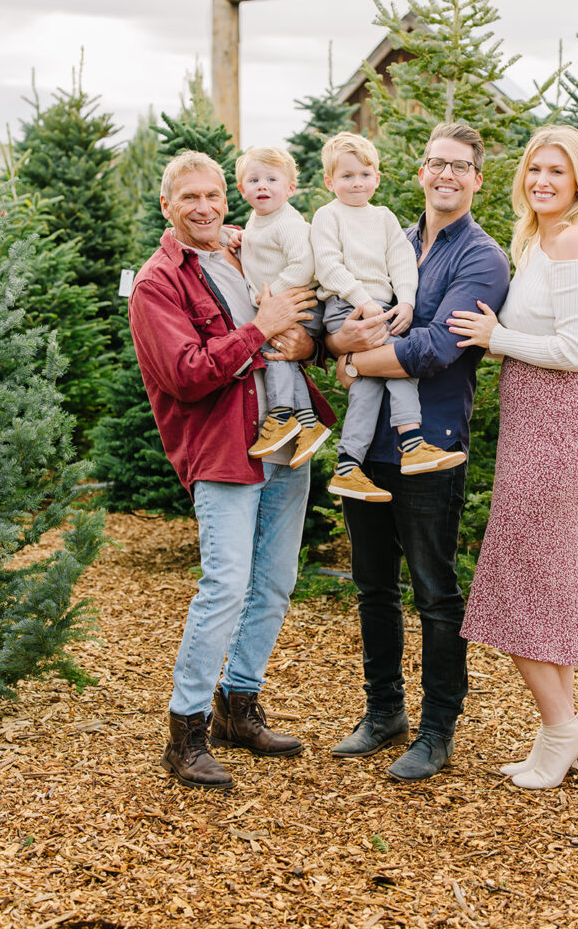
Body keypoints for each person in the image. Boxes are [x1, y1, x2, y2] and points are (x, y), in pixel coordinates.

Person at [128, 150, 335, 791]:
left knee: (275, 580)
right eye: (188, 197)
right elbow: (187, 374)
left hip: (285, 437)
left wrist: (303, 340)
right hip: (224, 448)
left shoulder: (248, 249)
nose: (204, 207)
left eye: (214, 194)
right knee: (225, 584)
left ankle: (237, 706)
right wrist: (259, 328)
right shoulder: (157, 283)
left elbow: (303, 325)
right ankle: (184, 731)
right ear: (167, 206)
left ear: (228, 197)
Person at [327, 123, 510, 781]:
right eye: (437, 163)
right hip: (368, 445)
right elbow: (343, 315)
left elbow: (437, 349)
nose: (446, 176)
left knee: (434, 590)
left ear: (478, 179)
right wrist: (346, 346)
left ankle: (437, 729)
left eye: (460, 166)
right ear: (421, 170)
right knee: (373, 585)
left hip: (432, 445)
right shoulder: (394, 243)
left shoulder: (482, 258)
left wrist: (355, 357)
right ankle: (384, 714)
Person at [447, 124, 578, 790]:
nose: (542, 180)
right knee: (547, 586)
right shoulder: (539, 239)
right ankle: (561, 736)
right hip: (531, 426)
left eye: (557, 170)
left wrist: (498, 337)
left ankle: (564, 730)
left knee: (516, 587)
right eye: (534, 169)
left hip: (557, 432)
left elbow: (576, 352)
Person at [312, 132, 467, 503]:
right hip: (345, 305)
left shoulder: (383, 218)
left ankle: (348, 464)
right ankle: (413, 443)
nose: (356, 183)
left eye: (364, 174)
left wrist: (408, 303)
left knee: (368, 384)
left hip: (382, 306)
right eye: (346, 176)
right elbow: (329, 266)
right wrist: (363, 300)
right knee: (400, 360)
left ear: (377, 178)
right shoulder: (327, 216)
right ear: (330, 181)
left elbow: (401, 262)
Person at [236, 145, 330, 469]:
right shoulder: (255, 221)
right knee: (282, 353)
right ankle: (308, 422)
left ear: (290, 188)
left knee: (274, 350)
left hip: (303, 303)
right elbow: (257, 250)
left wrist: (271, 295)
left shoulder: (288, 223)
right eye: (254, 179)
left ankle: (280, 417)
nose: (262, 185)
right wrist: (238, 242)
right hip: (283, 303)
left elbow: (303, 266)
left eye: (272, 179)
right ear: (241, 188)